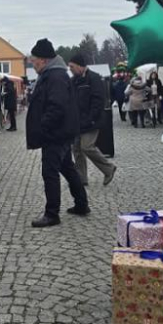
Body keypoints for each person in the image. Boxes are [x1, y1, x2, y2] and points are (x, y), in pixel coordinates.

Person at [26, 38, 88, 227]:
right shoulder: (54, 74)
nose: (32, 63)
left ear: (43, 60)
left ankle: (52, 214)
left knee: (49, 172)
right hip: (59, 132)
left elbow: (57, 106)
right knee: (67, 168)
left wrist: (43, 126)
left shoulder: (55, 76)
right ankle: (81, 204)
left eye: (34, 60)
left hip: (55, 134)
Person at [68, 54, 117, 186]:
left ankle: (108, 168)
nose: (70, 69)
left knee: (87, 147)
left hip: (92, 121)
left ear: (80, 66)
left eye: (72, 66)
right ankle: (81, 178)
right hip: (77, 122)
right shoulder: (73, 81)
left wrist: (91, 119)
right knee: (76, 150)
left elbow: (98, 101)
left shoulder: (94, 78)